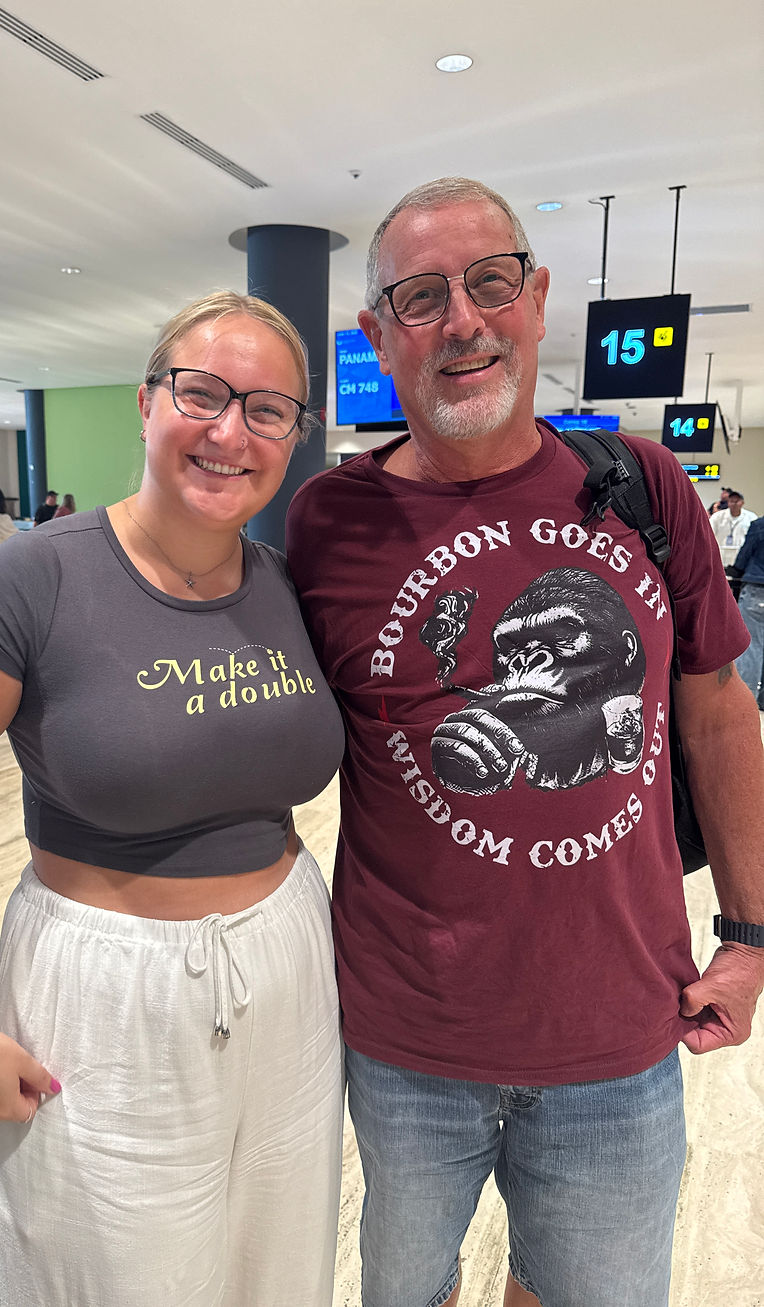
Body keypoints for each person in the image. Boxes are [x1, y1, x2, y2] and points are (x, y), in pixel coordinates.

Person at [286, 177, 764, 1307]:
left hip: (616, 1026)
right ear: (376, 334)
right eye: (419, 295)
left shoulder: (642, 486)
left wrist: (746, 934)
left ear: (536, 297)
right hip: (404, 1030)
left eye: (488, 281)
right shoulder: (327, 519)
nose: (461, 320)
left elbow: (716, 714)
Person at [0, 292, 345, 1307]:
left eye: (268, 408)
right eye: (201, 392)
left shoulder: (287, 585)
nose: (229, 430)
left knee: (278, 1273)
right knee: (107, 1282)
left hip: (290, 968)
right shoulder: (36, 580)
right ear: (147, 401)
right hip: (106, 995)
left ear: (294, 434)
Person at [735, 515, 764, 707]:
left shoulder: (759, 525)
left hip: (757, 589)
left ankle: (746, 703)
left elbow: (744, 557)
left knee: (752, 647)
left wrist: (735, 571)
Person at [709, 488, 756, 587]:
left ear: (742, 503)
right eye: (731, 501)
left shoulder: (751, 518)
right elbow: (709, 535)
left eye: (736, 501)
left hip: (740, 559)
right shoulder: (717, 517)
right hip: (721, 556)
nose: (734, 504)